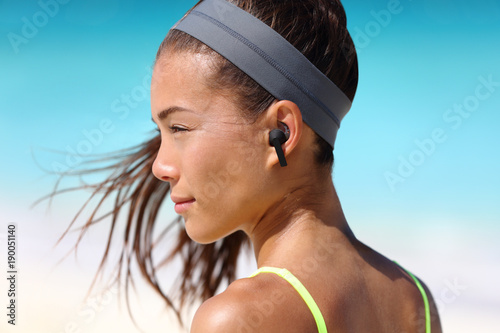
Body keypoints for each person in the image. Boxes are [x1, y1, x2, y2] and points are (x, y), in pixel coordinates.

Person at [59, 0, 442, 332]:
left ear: (280, 131)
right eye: (161, 132)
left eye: (179, 127)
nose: (160, 166)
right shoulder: (415, 301)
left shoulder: (236, 319)